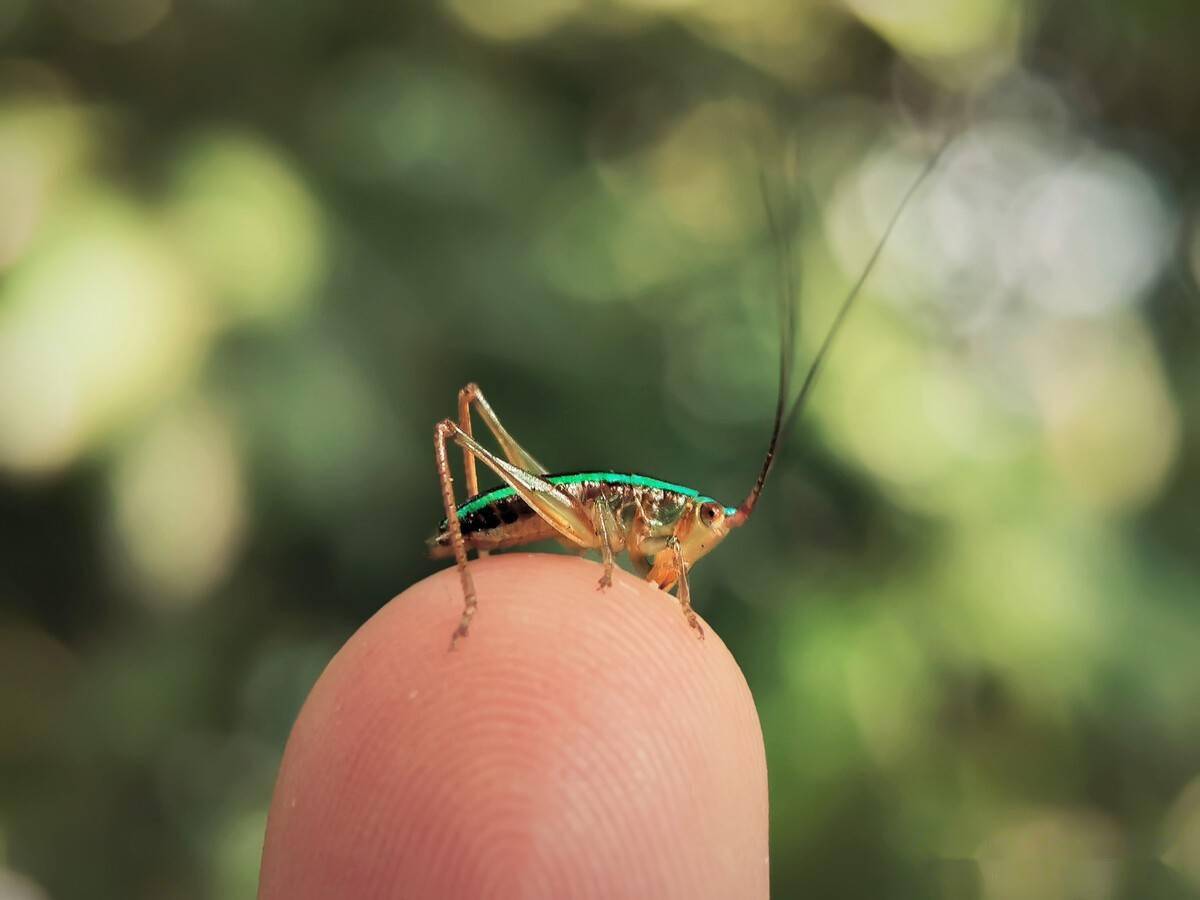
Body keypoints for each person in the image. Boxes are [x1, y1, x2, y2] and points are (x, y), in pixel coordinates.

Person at [258, 553, 769, 898]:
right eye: (706, 517)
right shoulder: (633, 507)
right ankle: (472, 595)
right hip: (546, 503)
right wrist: (611, 561)